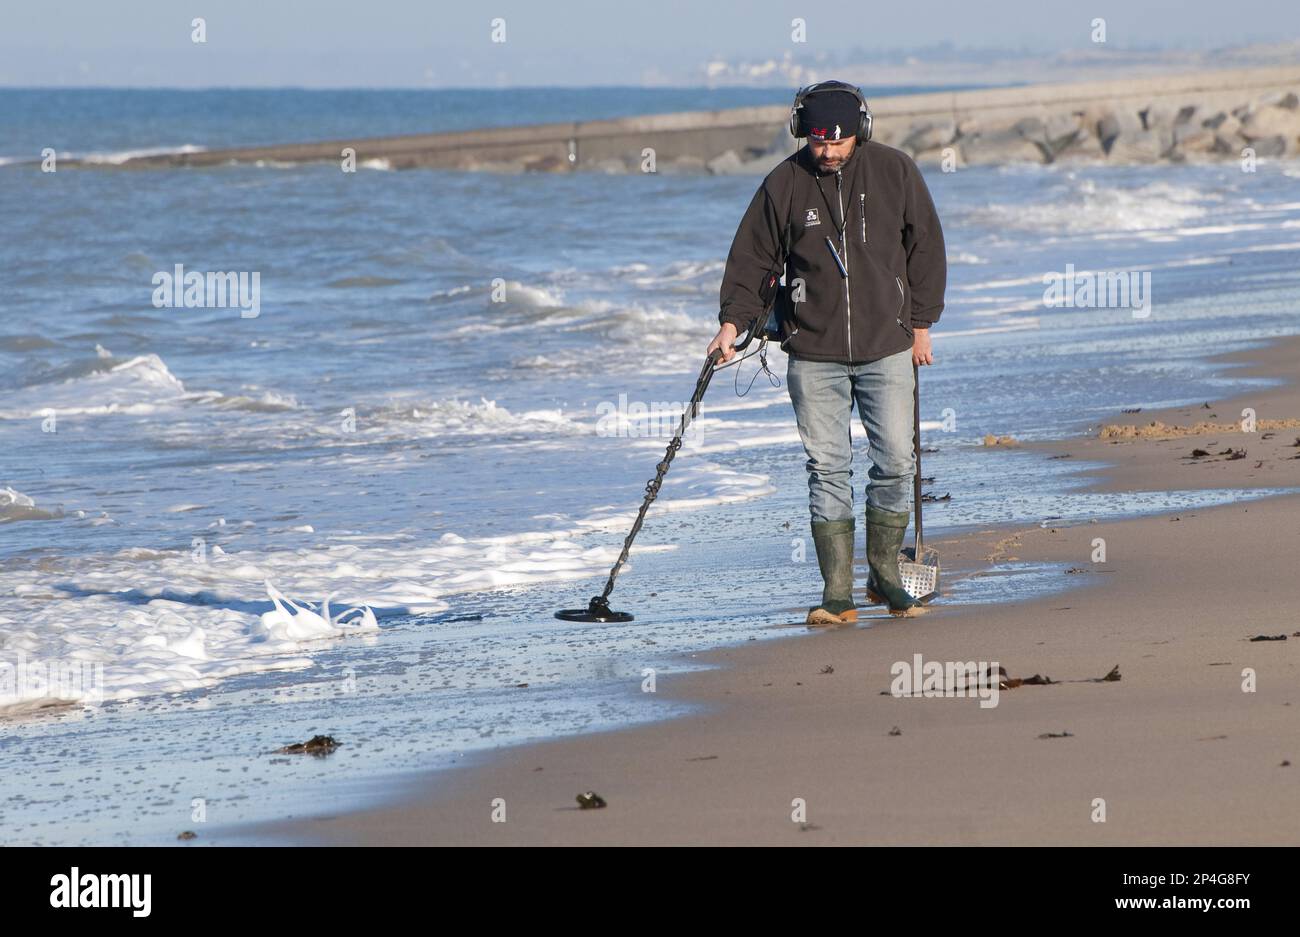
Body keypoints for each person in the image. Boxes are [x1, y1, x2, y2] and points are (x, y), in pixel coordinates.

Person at [707, 80, 947, 624]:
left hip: (889, 343)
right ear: (801, 133)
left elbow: (925, 245)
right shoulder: (784, 183)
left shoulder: (895, 170)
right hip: (811, 351)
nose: (830, 151)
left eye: (839, 142)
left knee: (896, 462)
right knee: (827, 467)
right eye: (819, 142)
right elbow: (752, 262)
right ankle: (836, 593)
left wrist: (923, 323)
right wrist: (731, 325)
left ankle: (885, 574)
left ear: (860, 131)